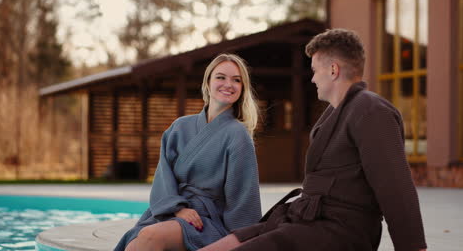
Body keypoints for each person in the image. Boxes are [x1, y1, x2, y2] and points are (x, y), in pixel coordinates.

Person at [200, 29, 427, 251]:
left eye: (315, 70)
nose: (312, 78)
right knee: (227, 243)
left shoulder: (371, 111)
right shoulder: (333, 114)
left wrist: (413, 247)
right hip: (307, 220)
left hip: (342, 231)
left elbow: (395, 186)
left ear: (333, 70)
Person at [114, 53, 262, 251]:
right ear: (208, 82)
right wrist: (177, 208)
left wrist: (241, 239)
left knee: (150, 236)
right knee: (132, 245)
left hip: (208, 221)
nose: (228, 84)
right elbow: (163, 177)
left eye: (236, 80)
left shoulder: (238, 134)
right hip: (172, 209)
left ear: (242, 89)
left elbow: (243, 195)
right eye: (220, 77)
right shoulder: (179, 127)